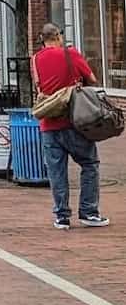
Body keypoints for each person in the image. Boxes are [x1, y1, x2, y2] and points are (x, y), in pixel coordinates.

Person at [32, 23, 109, 230]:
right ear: (58, 36)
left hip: (48, 123)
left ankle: (62, 217)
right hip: (74, 121)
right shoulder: (71, 54)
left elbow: (39, 87)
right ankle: (89, 212)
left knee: (57, 172)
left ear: (42, 40)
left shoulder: (36, 59)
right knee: (89, 164)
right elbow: (92, 79)